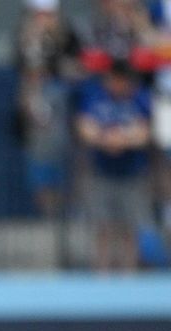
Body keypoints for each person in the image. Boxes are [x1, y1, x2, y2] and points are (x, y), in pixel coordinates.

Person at [76, 58, 153, 270]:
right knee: (103, 227)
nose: (118, 86)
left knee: (130, 227)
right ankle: (102, 275)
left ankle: (130, 275)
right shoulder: (95, 97)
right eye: (114, 81)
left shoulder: (139, 98)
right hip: (102, 172)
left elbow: (144, 132)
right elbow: (84, 127)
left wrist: (122, 140)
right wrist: (104, 139)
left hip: (132, 173)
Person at [15, 0, 81, 216]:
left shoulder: (69, 36)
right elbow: (23, 72)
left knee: (68, 167)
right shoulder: (24, 36)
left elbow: (78, 69)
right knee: (40, 168)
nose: (43, 20)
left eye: (48, 15)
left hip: (64, 109)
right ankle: (49, 217)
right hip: (38, 110)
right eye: (38, 15)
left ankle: (67, 215)